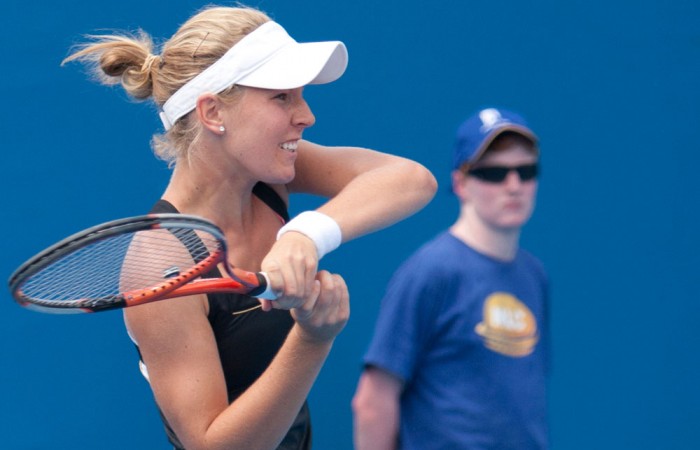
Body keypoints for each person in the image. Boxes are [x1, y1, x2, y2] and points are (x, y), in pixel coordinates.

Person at [62, 5, 437, 449]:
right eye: (282, 97)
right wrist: (311, 340)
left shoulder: (267, 177)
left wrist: (306, 234)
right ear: (212, 113)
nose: (306, 115)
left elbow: (412, 179)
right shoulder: (160, 263)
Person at [352, 107, 550, 450]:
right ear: (461, 183)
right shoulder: (431, 272)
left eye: (526, 171)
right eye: (493, 173)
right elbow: (372, 402)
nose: (514, 186)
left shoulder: (534, 275)